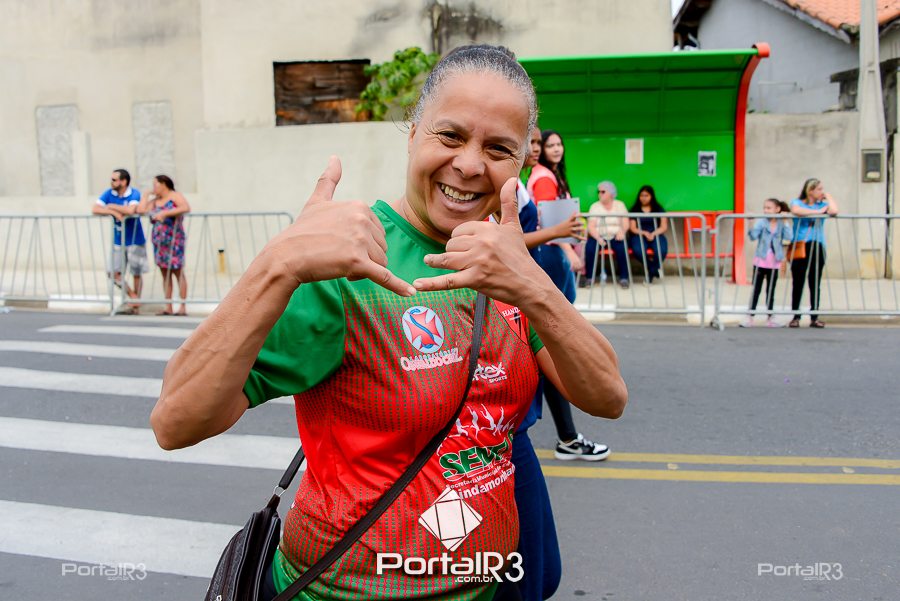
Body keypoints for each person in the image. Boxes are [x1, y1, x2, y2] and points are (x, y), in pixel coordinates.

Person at [150, 44, 627, 601]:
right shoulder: (349, 265)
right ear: (413, 133)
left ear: (521, 163)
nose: (470, 165)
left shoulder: (507, 264)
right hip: (343, 589)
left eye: (498, 148)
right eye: (450, 136)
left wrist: (533, 285)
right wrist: (277, 264)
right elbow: (176, 423)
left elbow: (606, 396)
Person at [526, 129, 611, 462]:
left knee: (547, 350)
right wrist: (565, 248)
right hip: (542, 263)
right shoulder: (538, 179)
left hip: (538, 265)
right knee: (550, 348)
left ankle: (566, 436)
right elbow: (539, 230)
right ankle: (566, 437)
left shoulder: (526, 180)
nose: (539, 149)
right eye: (537, 143)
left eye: (544, 143)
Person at [92, 168, 148, 313]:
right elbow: (95, 208)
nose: (111, 182)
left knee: (136, 272)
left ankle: (135, 306)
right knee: (113, 272)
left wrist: (111, 206)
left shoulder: (134, 193)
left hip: (135, 239)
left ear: (124, 181)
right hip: (118, 240)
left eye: (114, 180)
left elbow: (130, 210)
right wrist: (112, 212)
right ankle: (133, 297)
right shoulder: (109, 193)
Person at [788, 178, 838, 328]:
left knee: (814, 281)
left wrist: (828, 197)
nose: (822, 191)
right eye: (819, 189)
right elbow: (796, 211)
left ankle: (814, 316)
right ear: (810, 191)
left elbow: (834, 211)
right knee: (798, 281)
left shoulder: (822, 205)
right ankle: (796, 316)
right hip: (801, 244)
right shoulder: (797, 202)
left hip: (817, 244)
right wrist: (817, 212)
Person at [139, 175, 191, 316]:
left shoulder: (174, 196)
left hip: (174, 239)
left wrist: (165, 213)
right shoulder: (155, 201)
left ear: (164, 184)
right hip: (159, 241)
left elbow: (185, 207)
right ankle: (168, 306)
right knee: (165, 273)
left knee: (178, 271)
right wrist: (146, 195)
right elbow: (141, 210)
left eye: (155, 184)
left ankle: (182, 306)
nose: (154, 187)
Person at [740, 199, 792, 328]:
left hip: (774, 261)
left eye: (769, 208)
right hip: (760, 260)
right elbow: (753, 236)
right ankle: (750, 316)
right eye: (765, 208)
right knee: (756, 289)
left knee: (771, 290)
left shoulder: (781, 223)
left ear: (777, 209)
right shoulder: (762, 222)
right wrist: (751, 223)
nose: (765, 210)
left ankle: (770, 317)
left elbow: (789, 237)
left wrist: (785, 221)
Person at [582, 181, 630, 289]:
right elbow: (591, 226)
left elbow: (625, 222)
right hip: (598, 236)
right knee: (590, 249)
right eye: (598, 192)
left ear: (611, 193)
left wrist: (622, 232)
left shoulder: (619, 205)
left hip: (616, 235)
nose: (600, 194)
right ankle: (589, 278)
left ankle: (624, 278)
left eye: (603, 192)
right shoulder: (595, 206)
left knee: (622, 249)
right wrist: (598, 238)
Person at [628, 185, 668, 283]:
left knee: (661, 250)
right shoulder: (634, 209)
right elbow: (632, 228)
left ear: (651, 196)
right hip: (639, 234)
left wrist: (653, 233)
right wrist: (644, 233)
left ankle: (650, 274)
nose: (644, 198)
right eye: (641, 195)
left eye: (646, 195)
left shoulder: (658, 208)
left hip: (656, 233)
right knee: (638, 251)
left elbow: (663, 226)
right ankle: (654, 270)